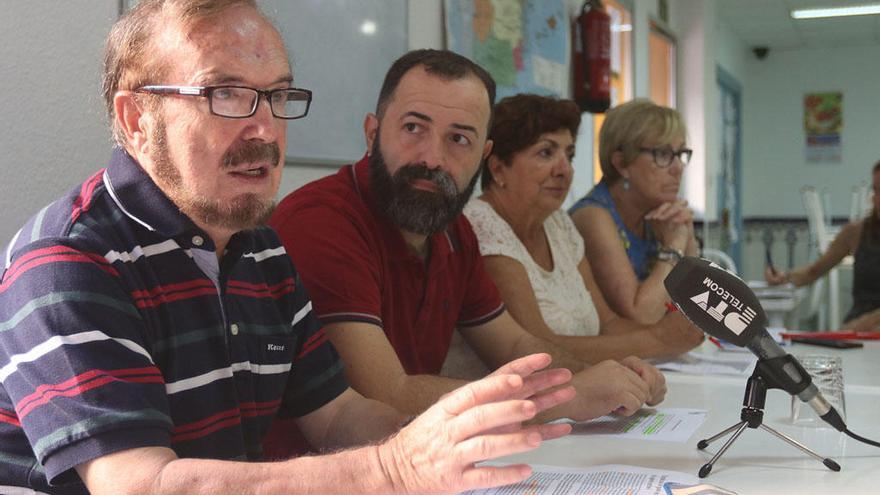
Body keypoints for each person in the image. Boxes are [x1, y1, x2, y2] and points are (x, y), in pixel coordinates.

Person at [0, 2, 577, 494]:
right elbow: (139, 483)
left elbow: (338, 416)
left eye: (278, 97)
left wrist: (450, 436)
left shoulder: (260, 250)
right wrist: (392, 468)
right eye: (225, 94)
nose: (265, 129)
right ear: (135, 119)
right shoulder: (68, 261)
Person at [270, 49, 667, 427]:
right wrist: (567, 395)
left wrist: (608, 375)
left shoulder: (454, 231)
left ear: (483, 154)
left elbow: (513, 346)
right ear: (372, 133)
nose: (432, 159)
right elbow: (384, 394)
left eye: (459, 139)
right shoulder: (323, 222)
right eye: (413, 128)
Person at [454, 93, 703, 369]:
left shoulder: (558, 225)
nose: (564, 170)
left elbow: (607, 323)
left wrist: (670, 336)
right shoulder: (481, 227)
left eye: (569, 155)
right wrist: (661, 340)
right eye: (546, 153)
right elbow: (535, 346)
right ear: (498, 167)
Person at [569, 99, 699, 325]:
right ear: (621, 164)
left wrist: (684, 232)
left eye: (680, 154)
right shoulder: (593, 216)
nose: (678, 168)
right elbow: (640, 316)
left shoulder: (662, 213)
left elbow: (699, 302)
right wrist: (675, 245)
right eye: (663, 154)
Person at [766, 161, 880, 331]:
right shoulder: (855, 232)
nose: (876, 198)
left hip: (862, 328)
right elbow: (814, 271)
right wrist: (784, 277)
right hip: (858, 333)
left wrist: (869, 323)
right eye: (876, 190)